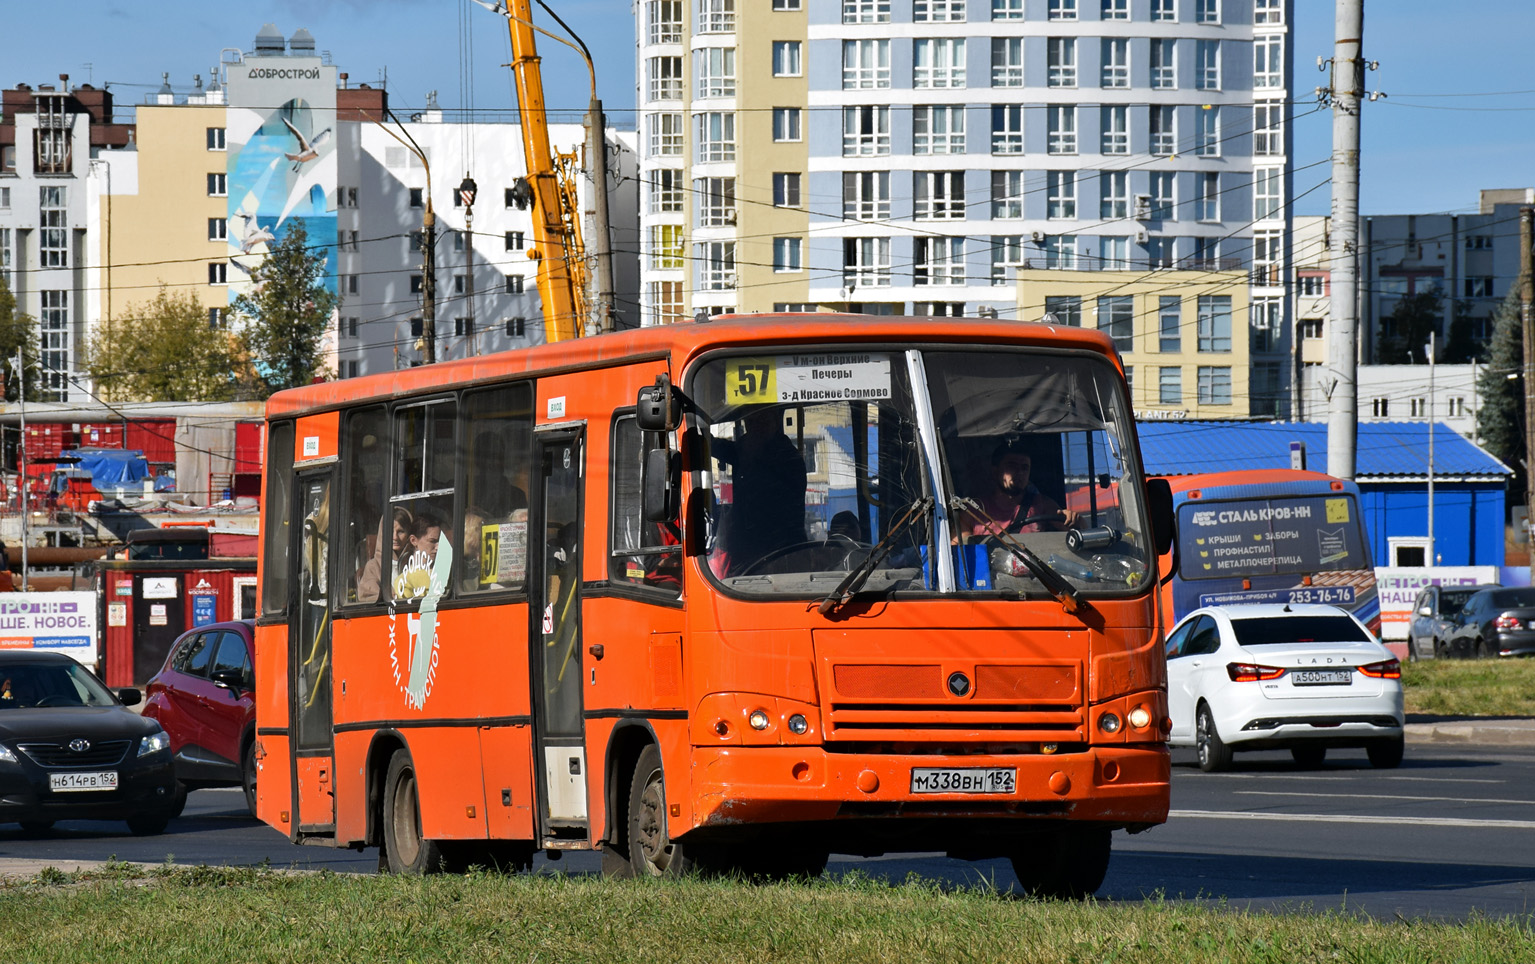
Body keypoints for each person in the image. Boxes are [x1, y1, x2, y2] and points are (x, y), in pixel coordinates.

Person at [711, 406, 807, 574]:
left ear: (776, 422)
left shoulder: (785, 457)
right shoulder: (748, 447)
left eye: (763, 421)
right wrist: (706, 441)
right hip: (749, 550)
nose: (756, 427)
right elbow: (729, 450)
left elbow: (766, 506)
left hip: (781, 550)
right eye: (750, 422)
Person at [961, 437, 1078, 538]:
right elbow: (961, 553)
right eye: (1012, 466)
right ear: (995, 471)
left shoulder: (1042, 505)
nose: (1019, 472)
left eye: (1025, 467)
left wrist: (1073, 519)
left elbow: (1077, 533)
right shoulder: (974, 511)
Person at [394, 511, 445, 600]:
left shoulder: (447, 572)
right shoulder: (404, 583)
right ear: (413, 540)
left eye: (440, 541)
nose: (438, 547)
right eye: (432, 541)